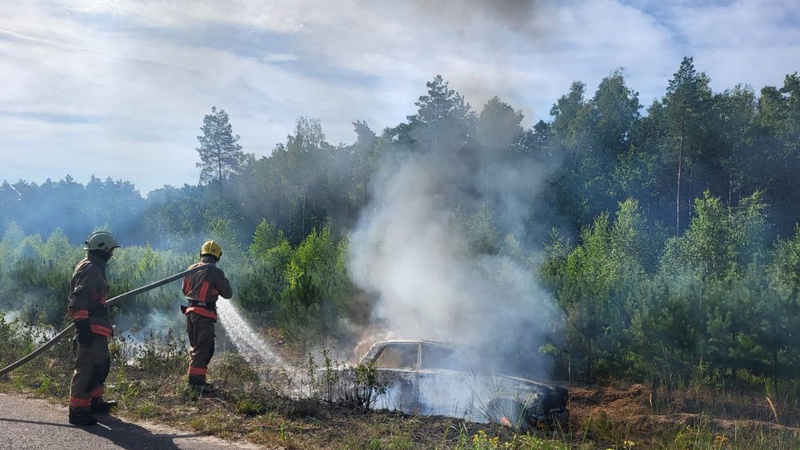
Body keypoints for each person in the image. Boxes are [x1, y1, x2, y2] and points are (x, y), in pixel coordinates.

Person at [67, 231, 120, 426]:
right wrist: (83, 328)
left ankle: (94, 403)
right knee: (87, 368)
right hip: (90, 327)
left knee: (101, 366)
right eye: (110, 251)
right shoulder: (90, 268)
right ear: (103, 250)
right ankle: (78, 411)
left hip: (98, 328)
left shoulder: (94, 267)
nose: (111, 255)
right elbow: (78, 299)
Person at [181, 240, 232, 394]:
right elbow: (228, 294)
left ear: (201, 253)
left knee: (197, 347)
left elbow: (185, 290)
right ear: (218, 257)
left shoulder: (190, 269)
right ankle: (196, 385)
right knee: (203, 349)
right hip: (203, 315)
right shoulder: (215, 272)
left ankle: (197, 381)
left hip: (191, 312)